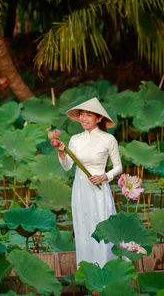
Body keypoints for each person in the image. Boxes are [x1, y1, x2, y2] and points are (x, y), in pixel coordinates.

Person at [56, 97, 122, 268]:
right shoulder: (75, 139)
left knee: (102, 225)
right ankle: (88, 271)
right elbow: (67, 166)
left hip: (99, 189)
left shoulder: (108, 139)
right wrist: (62, 154)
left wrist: (104, 177)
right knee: (83, 228)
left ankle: (105, 267)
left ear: (99, 118)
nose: (84, 119)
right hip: (81, 189)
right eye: (82, 115)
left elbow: (118, 167)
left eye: (89, 115)